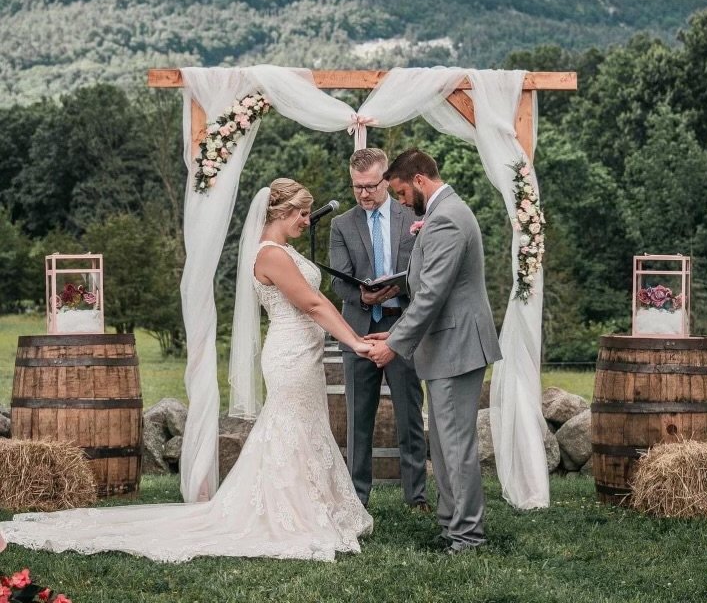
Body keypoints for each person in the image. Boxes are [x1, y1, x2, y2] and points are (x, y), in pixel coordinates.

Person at [0, 179, 373, 563]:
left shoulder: (284, 250)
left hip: (305, 352)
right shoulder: (271, 255)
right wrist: (356, 342)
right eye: (302, 213)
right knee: (290, 427)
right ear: (281, 212)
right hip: (291, 354)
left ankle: (314, 506)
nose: (307, 221)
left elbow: (317, 304)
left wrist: (354, 336)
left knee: (305, 426)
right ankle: (290, 513)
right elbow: (312, 304)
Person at [366, 149, 502, 555]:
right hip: (448, 344)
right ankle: (453, 526)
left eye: (403, 193)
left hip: (456, 344)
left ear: (421, 181)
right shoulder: (443, 214)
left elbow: (432, 296)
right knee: (443, 443)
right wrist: (398, 285)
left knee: (455, 445)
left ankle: (467, 537)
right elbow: (426, 283)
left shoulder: (445, 219)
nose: (402, 202)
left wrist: (392, 343)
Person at [329, 148, 428, 511]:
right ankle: (357, 499)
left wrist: (396, 288)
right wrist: (363, 296)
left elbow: (423, 273)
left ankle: (416, 496)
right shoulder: (341, 225)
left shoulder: (412, 217)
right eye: (357, 187)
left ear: (386, 179)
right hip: (357, 331)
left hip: (402, 327)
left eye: (371, 186)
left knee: (409, 416)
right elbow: (338, 281)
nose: (364, 193)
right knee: (358, 420)